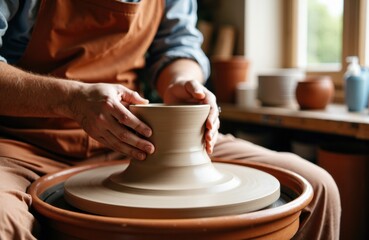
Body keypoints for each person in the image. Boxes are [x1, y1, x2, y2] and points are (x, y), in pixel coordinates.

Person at [0, 0, 340, 239]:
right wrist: (72, 99)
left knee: (316, 187)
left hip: (139, 138)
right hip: (25, 143)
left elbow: (178, 46)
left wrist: (181, 82)